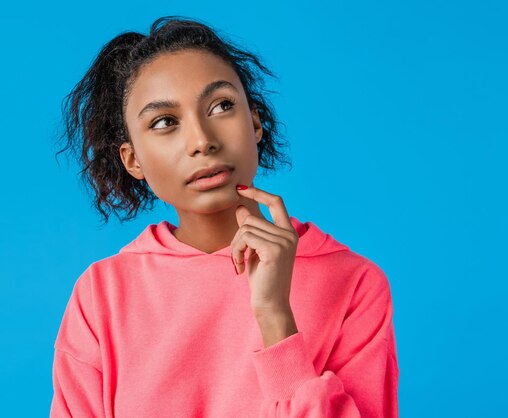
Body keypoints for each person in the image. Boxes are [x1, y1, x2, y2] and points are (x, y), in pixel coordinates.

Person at [50, 15, 399, 417]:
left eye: (221, 106)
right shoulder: (102, 295)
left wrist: (275, 317)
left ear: (254, 123)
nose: (202, 141)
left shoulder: (354, 283)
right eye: (165, 122)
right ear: (133, 160)